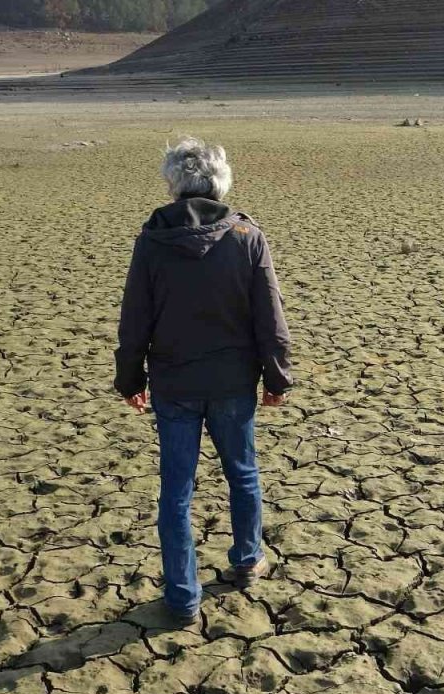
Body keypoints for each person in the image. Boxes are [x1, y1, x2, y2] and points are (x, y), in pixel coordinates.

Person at [113, 137, 293, 625]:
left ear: (173, 182)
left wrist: (129, 377)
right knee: (243, 473)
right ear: (220, 182)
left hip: (174, 385)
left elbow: (135, 319)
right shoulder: (246, 237)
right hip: (233, 382)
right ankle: (247, 560)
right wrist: (277, 376)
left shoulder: (152, 241)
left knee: (176, 490)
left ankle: (182, 597)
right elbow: (269, 318)